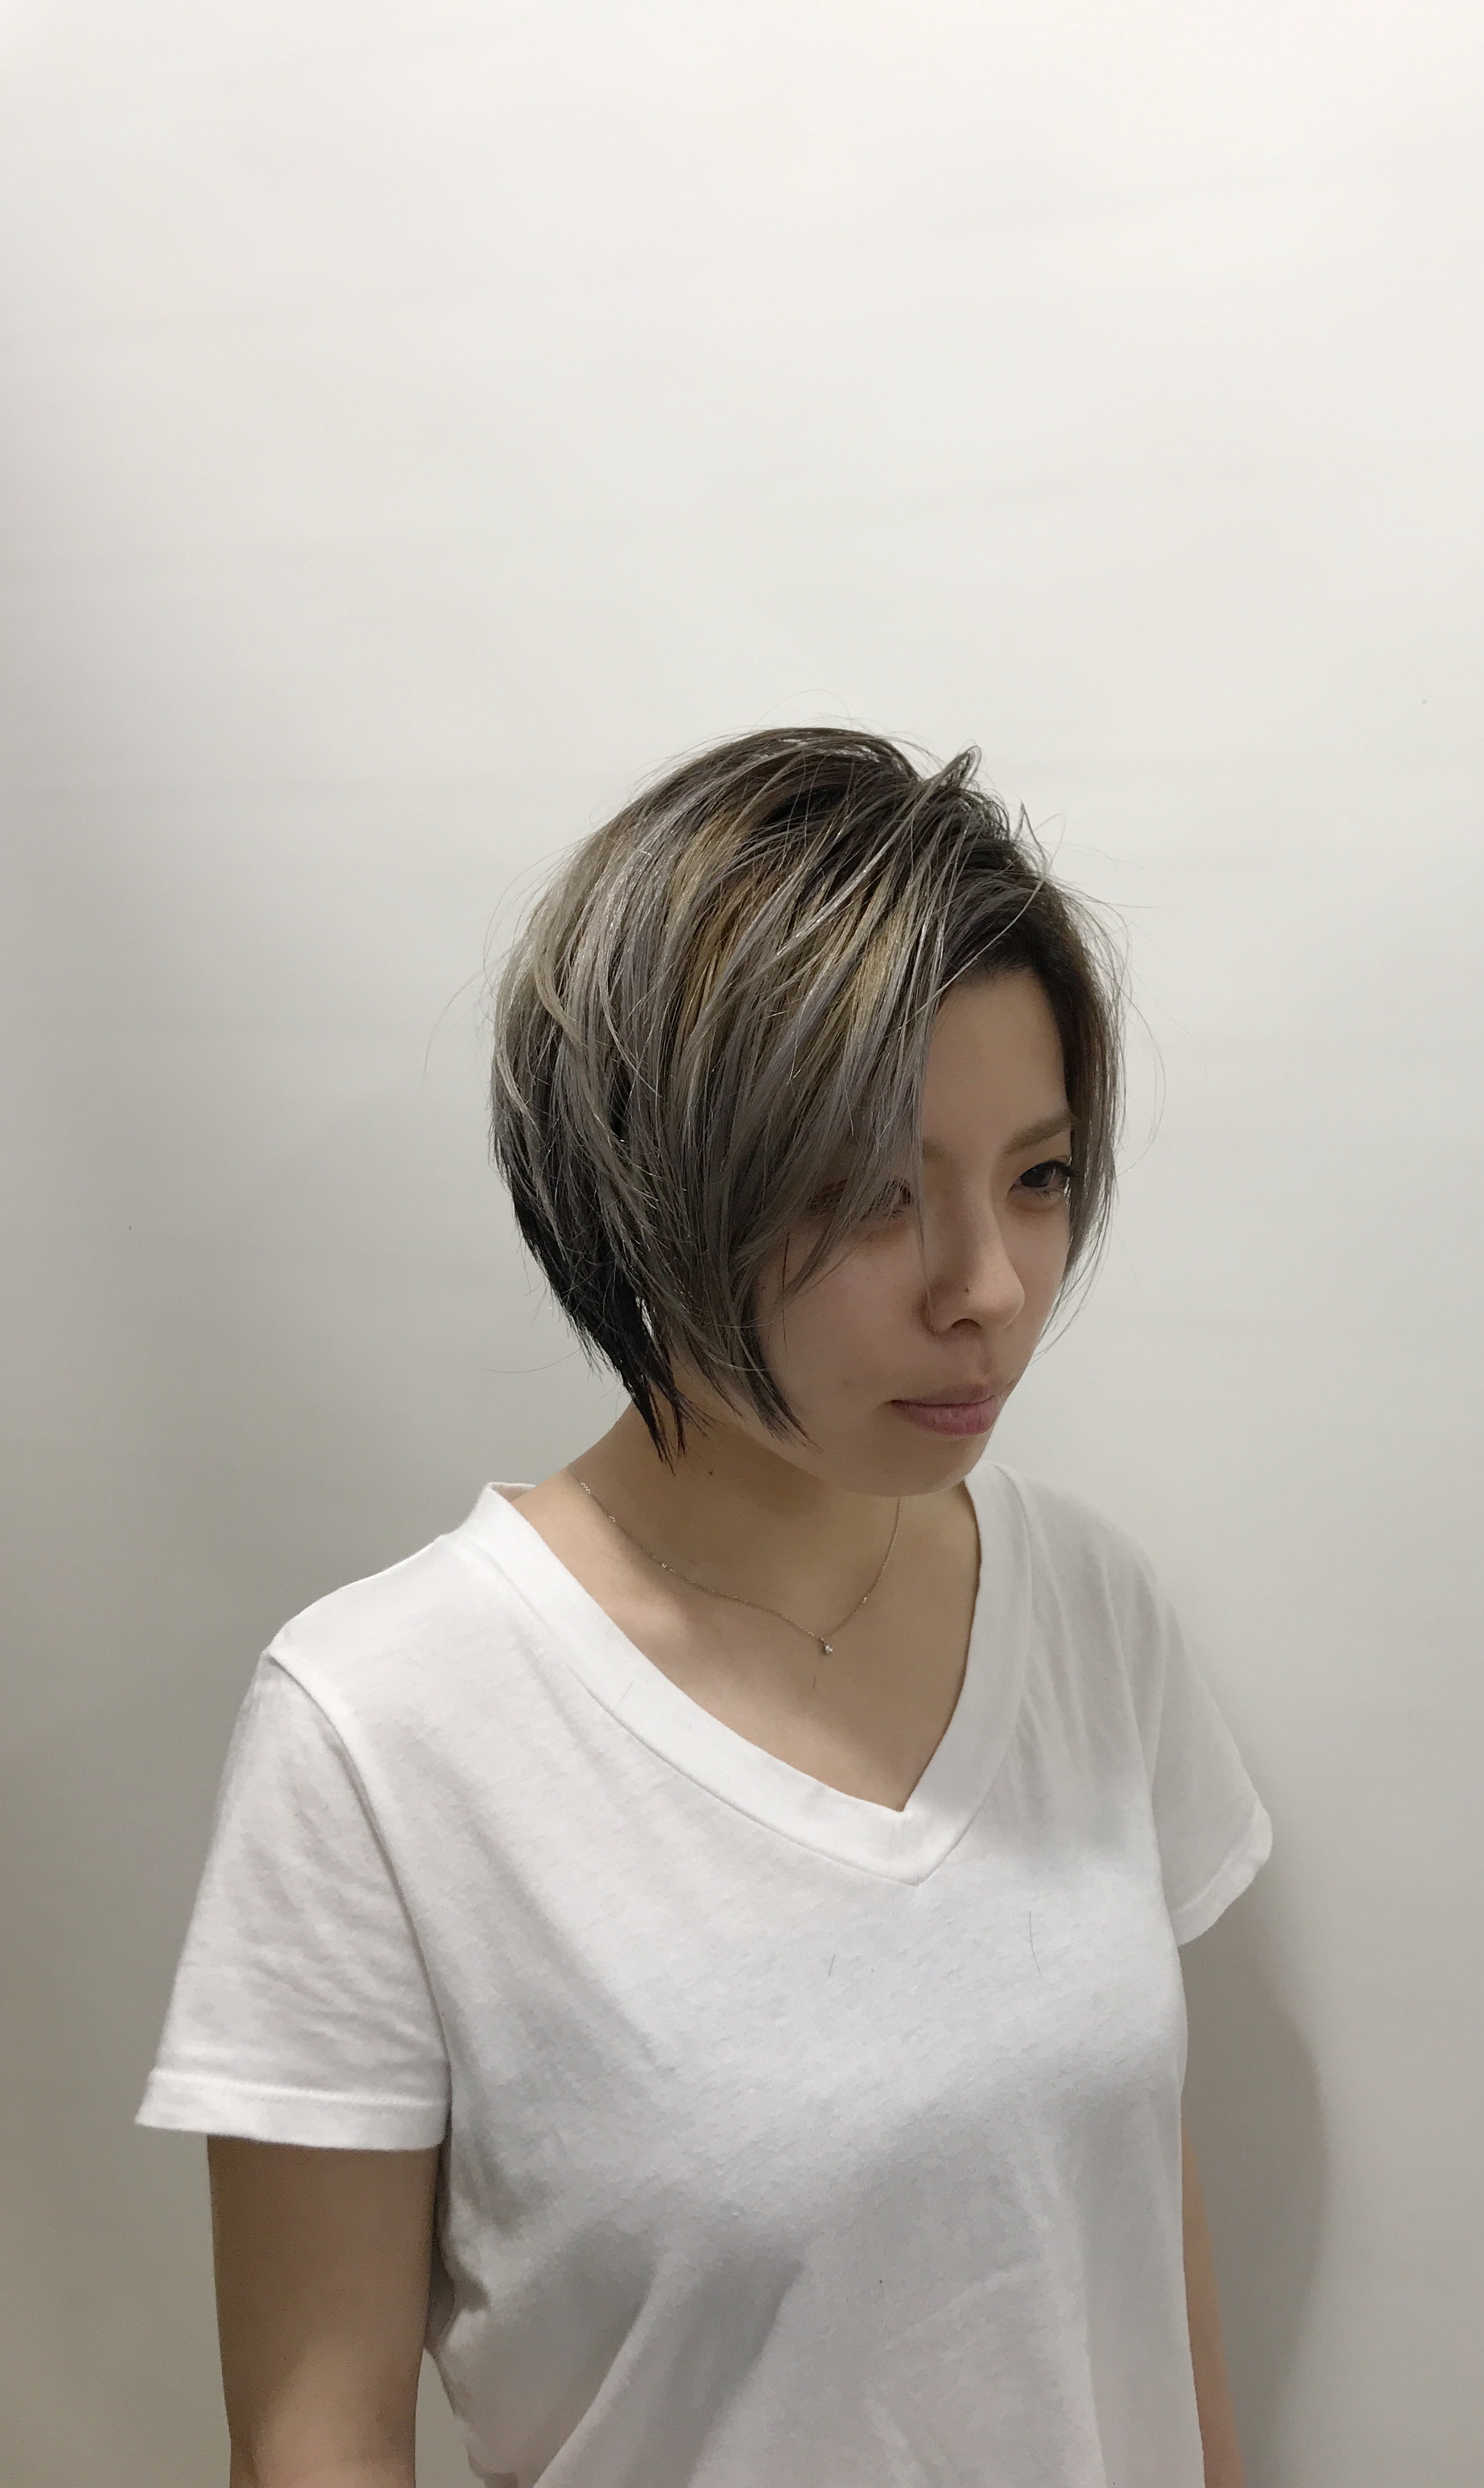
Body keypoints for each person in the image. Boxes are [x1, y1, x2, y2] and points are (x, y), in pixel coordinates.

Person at [138, 727, 1272, 2488]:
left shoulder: (1086, 1610)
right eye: (876, 1196)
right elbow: (318, 2439)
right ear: (648, 1181)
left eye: (1039, 1177)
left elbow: (1131, 2216)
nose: (990, 1289)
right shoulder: (382, 1731)